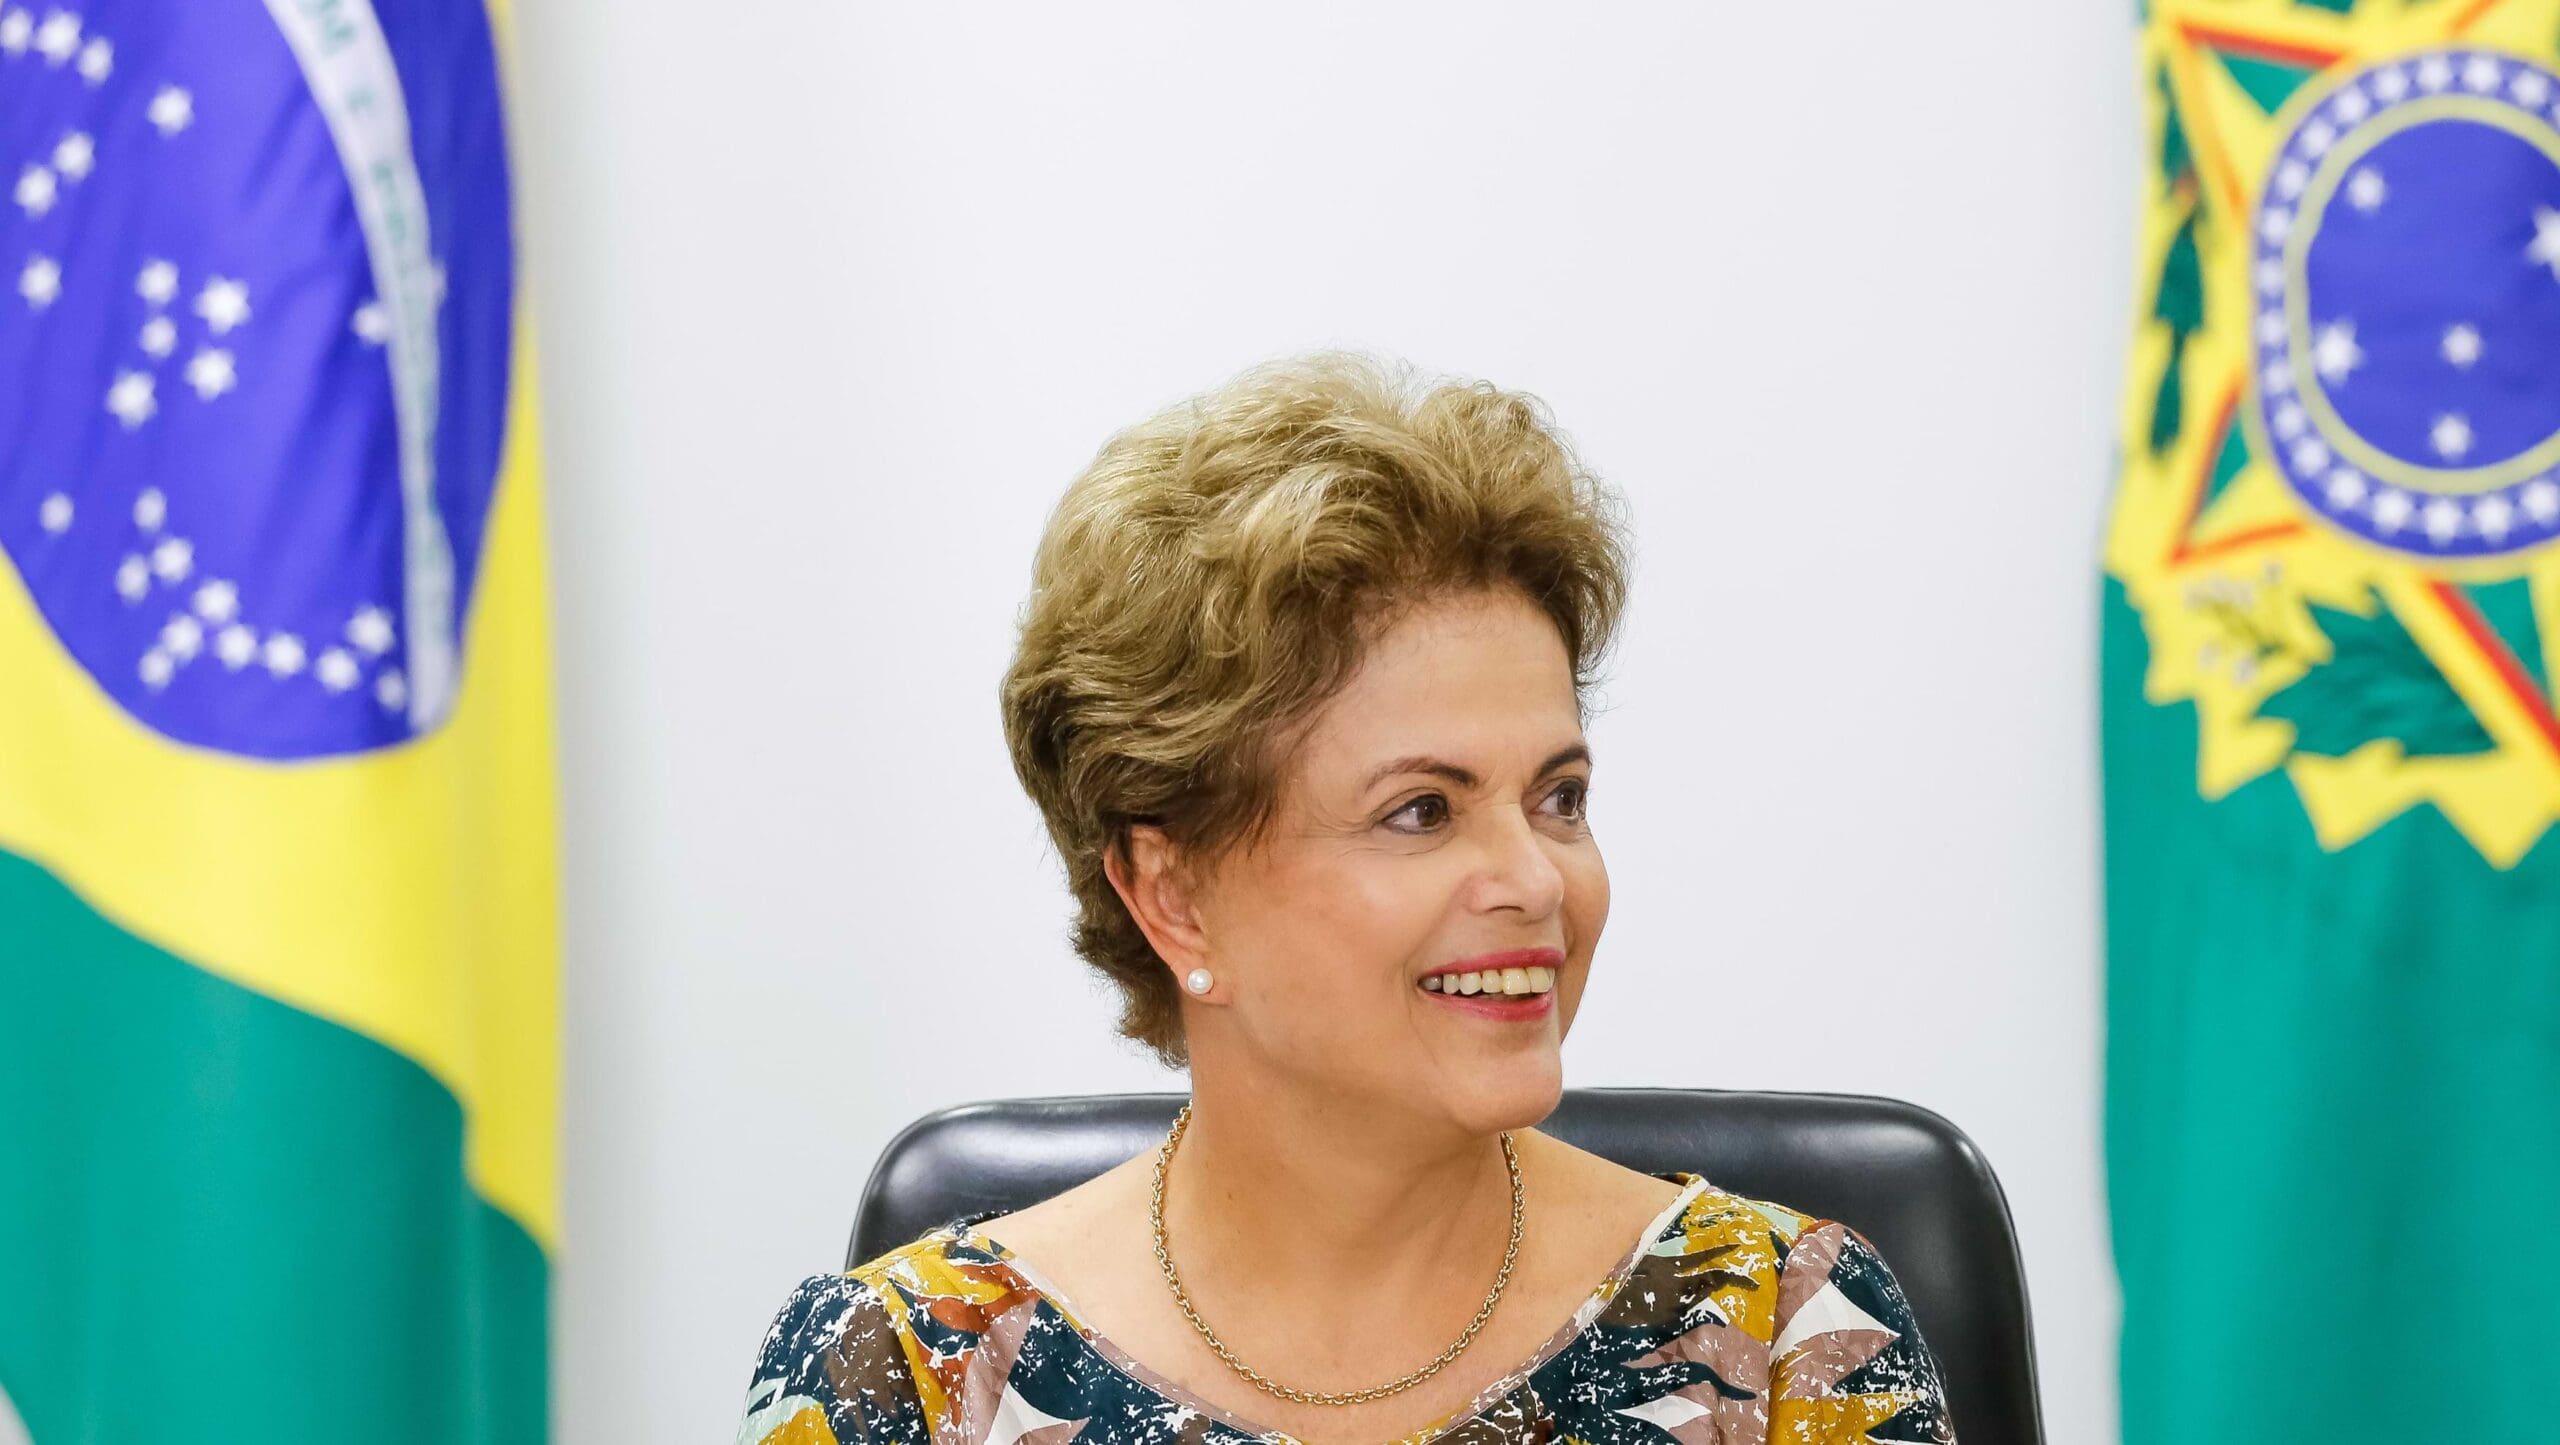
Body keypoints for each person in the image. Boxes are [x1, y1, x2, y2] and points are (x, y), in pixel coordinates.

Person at [734, 352, 1959, 1445]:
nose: (1536, 880)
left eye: (1559, 795)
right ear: (1174, 896)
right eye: (1420, 809)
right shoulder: (900, 1378)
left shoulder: (1792, 1332)